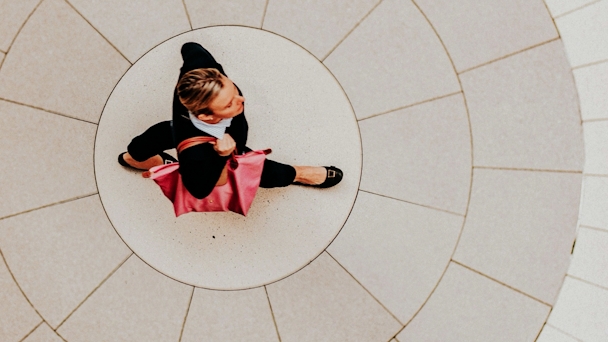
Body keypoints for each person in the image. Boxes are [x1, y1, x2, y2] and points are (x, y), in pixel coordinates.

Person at [118, 42, 342, 199]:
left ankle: (134, 156)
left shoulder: (202, 68)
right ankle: (299, 174)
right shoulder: (196, 153)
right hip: (210, 147)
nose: (241, 99)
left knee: (163, 133)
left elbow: (191, 48)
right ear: (206, 116)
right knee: (251, 168)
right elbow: (199, 189)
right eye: (228, 104)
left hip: (181, 125)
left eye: (232, 87)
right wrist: (222, 155)